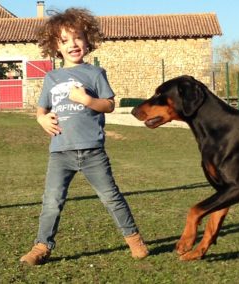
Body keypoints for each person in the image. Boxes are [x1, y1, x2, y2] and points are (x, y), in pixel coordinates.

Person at [20, 8, 149, 265]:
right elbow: (41, 108)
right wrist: (41, 118)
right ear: (56, 47)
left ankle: (134, 239)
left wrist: (87, 99)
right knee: (52, 202)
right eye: (65, 40)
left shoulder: (95, 74)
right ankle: (42, 246)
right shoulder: (51, 77)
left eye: (78, 37)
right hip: (60, 152)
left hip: (92, 151)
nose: (73, 44)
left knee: (111, 197)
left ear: (87, 40)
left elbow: (109, 105)